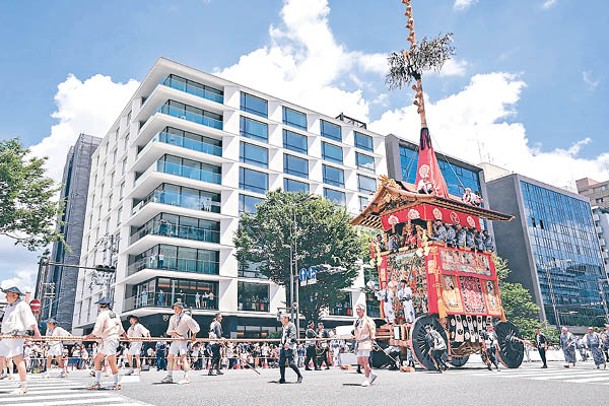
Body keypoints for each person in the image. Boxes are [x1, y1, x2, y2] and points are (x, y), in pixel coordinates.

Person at [0, 287, 42, 395]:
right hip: (6, 336)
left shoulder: (22, 305)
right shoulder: (9, 306)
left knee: (18, 360)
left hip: (16, 336)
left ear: (15, 295)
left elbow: (31, 319)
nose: (6, 297)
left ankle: (24, 386)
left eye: (7, 294)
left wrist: (37, 333)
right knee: (0, 358)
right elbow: (5, 322)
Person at [84, 297, 125, 391]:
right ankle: (97, 383)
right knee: (98, 359)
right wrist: (125, 336)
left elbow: (97, 329)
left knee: (111, 361)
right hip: (110, 339)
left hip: (109, 339)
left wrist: (89, 336)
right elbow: (121, 328)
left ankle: (117, 383)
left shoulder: (102, 315)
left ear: (101, 305)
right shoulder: (115, 314)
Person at [161, 302, 200, 384]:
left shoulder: (187, 318)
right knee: (170, 357)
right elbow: (168, 331)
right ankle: (169, 376)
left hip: (183, 339)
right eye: (174, 308)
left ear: (181, 309)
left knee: (183, 357)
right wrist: (174, 333)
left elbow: (196, 327)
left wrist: (194, 336)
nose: (174, 310)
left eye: (176, 308)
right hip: (175, 339)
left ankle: (186, 377)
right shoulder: (172, 318)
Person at [353, 303, 377, 386]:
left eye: (359, 310)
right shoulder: (356, 320)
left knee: (365, 361)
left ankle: (367, 378)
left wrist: (373, 338)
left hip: (366, 341)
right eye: (356, 310)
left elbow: (372, 329)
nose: (357, 312)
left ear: (363, 311)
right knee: (359, 361)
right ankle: (371, 372)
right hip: (359, 342)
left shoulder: (368, 320)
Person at [277, 313, 303, 384]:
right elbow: (282, 337)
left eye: (282, 318)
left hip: (290, 346)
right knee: (281, 362)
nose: (280, 320)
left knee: (291, 363)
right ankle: (282, 378)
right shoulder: (283, 326)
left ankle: (299, 375)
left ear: (286, 319)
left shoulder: (291, 325)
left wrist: (288, 343)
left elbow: (292, 335)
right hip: (283, 346)